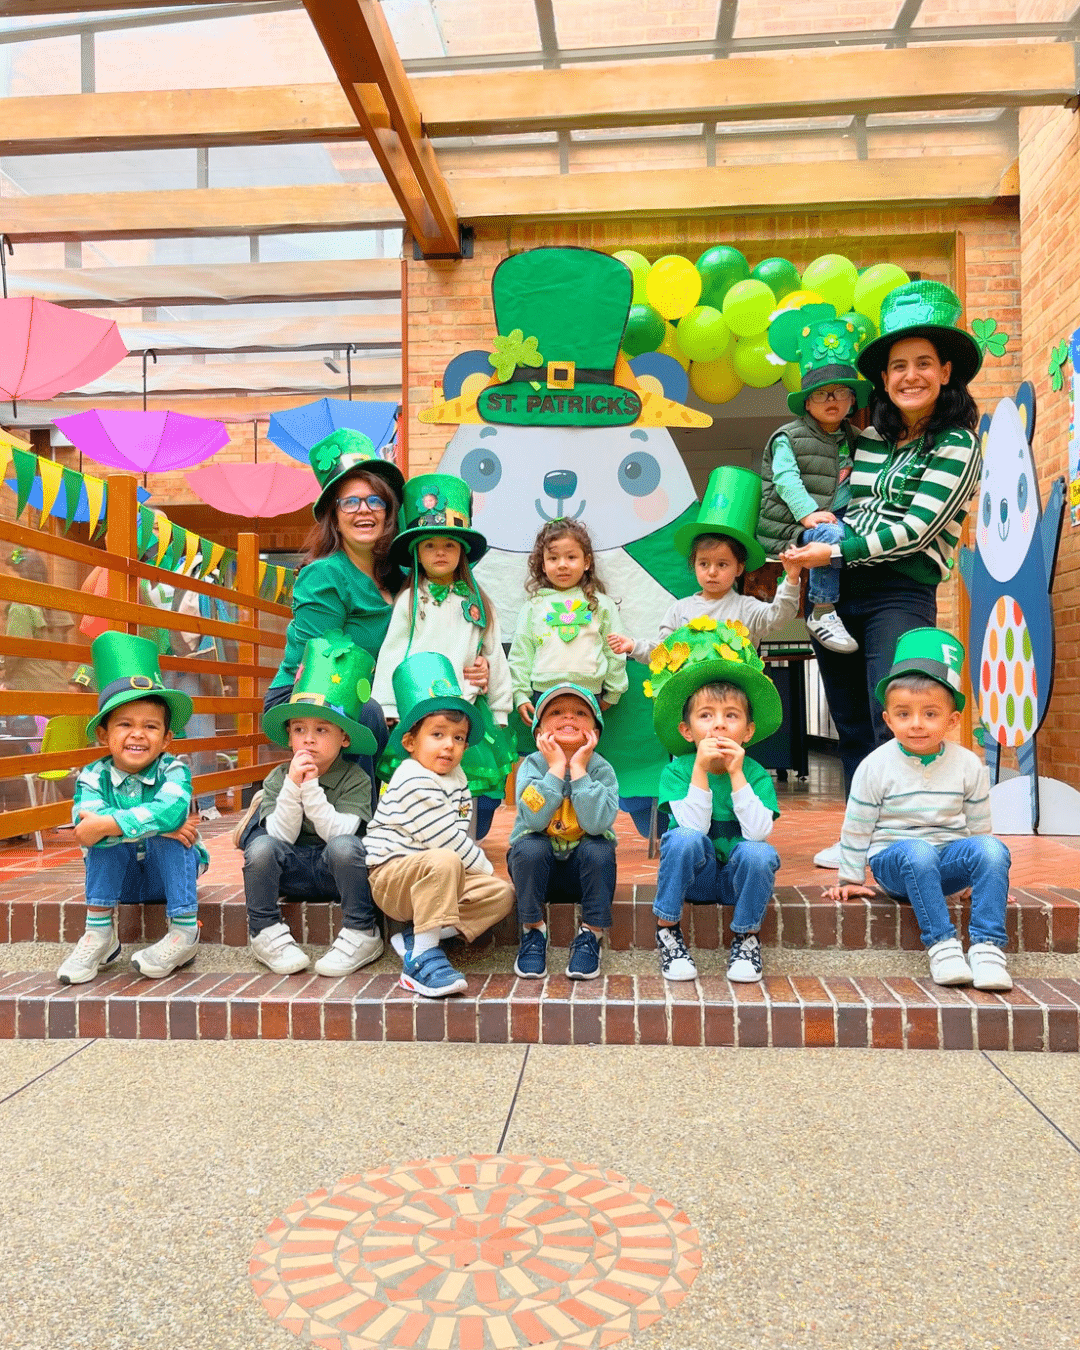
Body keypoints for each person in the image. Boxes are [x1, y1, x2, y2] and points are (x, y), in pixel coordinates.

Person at [782, 281, 983, 867]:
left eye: (923, 363)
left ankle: (905, 840)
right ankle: (860, 840)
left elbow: (916, 530)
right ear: (885, 379)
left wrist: (832, 553)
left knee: (891, 714)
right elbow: (840, 502)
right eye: (898, 366)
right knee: (849, 720)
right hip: (837, 592)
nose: (910, 376)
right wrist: (807, 536)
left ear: (946, 372)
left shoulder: (958, 443)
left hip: (900, 590)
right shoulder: (868, 440)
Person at [824, 628, 1012, 991]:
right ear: (888, 719)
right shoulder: (875, 766)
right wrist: (850, 879)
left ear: (952, 720)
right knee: (918, 852)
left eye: (930, 713)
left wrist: (982, 877)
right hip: (895, 862)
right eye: (903, 714)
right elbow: (858, 825)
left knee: (992, 849)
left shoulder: (969, 765)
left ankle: (988, 950)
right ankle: (943, 946)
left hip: (946, 862)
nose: (916, 724)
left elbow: (979, 828)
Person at [264, 427, 406, 809]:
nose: (364, 510)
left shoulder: (403, 576)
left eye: (375, 500)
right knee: (368, 713)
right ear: (334, 516)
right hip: (307, 691)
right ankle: (359, 822)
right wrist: (382, 701)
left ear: (389, 511)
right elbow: (325, 663)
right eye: (350, 502)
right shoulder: (324, 575)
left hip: (374, 692)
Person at [56, 632, 208, 985]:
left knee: (174, 837)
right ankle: (99, 935)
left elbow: (171, 811)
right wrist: (154, 824)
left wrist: (112, 825)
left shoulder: (175, 768)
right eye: (125, 724)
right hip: (118, 883)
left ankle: (184, 931)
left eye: (150, 726)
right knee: (125, 836)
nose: (138, 734)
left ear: (166, 739)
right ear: (104, 735)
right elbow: (86, 829)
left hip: (165, 877)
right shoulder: (92, 775)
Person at [363, 652, 514, 998]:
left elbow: (457, 836)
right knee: (447, 859)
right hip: (393, 877)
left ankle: (416, 936)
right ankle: (421, 960)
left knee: (500, 895)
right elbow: (447, 841)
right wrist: (485, 867)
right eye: (437, 734)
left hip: (436, 874)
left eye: (458, 738)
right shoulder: (414, 778)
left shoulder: (456, 776)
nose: (449, 745)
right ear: (410, 742)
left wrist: (482, 878)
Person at [373, 473, 514, 839]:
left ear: (462, 552)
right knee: (423, 778)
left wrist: (500, 708)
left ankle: (463, 839)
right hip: (419, 708)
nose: (440, 552)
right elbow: (392, 653)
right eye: (430, 545)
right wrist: (388, 706)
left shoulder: (477, 602)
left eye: (449, 544)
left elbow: (493, 654)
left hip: (466, 704)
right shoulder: (409, 601)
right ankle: (426, 837)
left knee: (472, 785)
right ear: (417, 553)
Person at [645, 619, 783, 984]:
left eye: (731, 716)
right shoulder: (678, 771)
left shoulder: (755, 773)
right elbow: (692, 828)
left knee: (761, 852)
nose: (718, 725)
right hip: (697, 877)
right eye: (706, 716)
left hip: (736, 880)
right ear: (687, 731)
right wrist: (701, 770)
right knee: (683, 838)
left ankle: (746, 937)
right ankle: (667, 929)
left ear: (748, 731)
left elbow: (758, 833)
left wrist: (736, 775)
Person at [243, 635, 384, 978]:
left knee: (347, 846)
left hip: (335, 872)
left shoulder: (355, 778)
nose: (308, 738)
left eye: (321, 729)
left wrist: (311, 789)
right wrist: (294, 785)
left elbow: (339, 833)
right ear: (289, 736)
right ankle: (264, 930)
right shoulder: (279, 777)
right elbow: (281, 836)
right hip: (290, 870)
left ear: (344, 738)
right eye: (299, 729)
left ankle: (362, 930)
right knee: (260, 846)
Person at [759, 306, 872, 654]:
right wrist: (807, 513)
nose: (832, 400)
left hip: (835, 518)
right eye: (822, 393)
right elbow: (785, 478)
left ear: (852, 401)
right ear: (807, 403)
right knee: (830, 535)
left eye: (841, 393)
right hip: (792, 523)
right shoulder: (788, 437)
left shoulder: (855, 438)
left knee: (858, 538)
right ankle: (821, 609)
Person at [608, 465, 801, 660]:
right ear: (694, 564)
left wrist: (792, 580)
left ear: (739, 568)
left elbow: (778, 616)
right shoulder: (679, 611)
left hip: (734, 681)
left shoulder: (747, 608)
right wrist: (634, 645)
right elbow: (664, 652)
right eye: (704, 564)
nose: (712, 572)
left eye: (722, 564)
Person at [508, 684, 618, 981]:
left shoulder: (602, 770)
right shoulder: (531, 766)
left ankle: (591, 934)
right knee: (529, 845)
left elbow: (596, 824)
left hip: (582, 876)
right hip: (537, 875)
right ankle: (533, 931)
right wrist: (556, 768)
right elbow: (533, 819)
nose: (569, 717)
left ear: (595, 732)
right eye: (556, 712)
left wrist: (579, 769)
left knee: (600, 847)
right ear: (539, 732)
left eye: (581, 713)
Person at [509, 518, 627, 727]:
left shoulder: (601, 604)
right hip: (543, 692)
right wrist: (520, 693)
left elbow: (614, 649)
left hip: (590, 692)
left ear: (586, 562)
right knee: (548, 742)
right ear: (543, 565)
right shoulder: (534, 606)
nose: (562, 565)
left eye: (571, 557)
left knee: (584, 741)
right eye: (553, 558)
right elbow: (521, 651)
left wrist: (614, 690)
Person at [0, 547, 74, 692]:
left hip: (29, 687)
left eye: (10, 579)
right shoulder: (55, 604)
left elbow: (13, 653)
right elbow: (63, 657)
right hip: (58, 685)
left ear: (24, 578)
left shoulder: (20, 606)